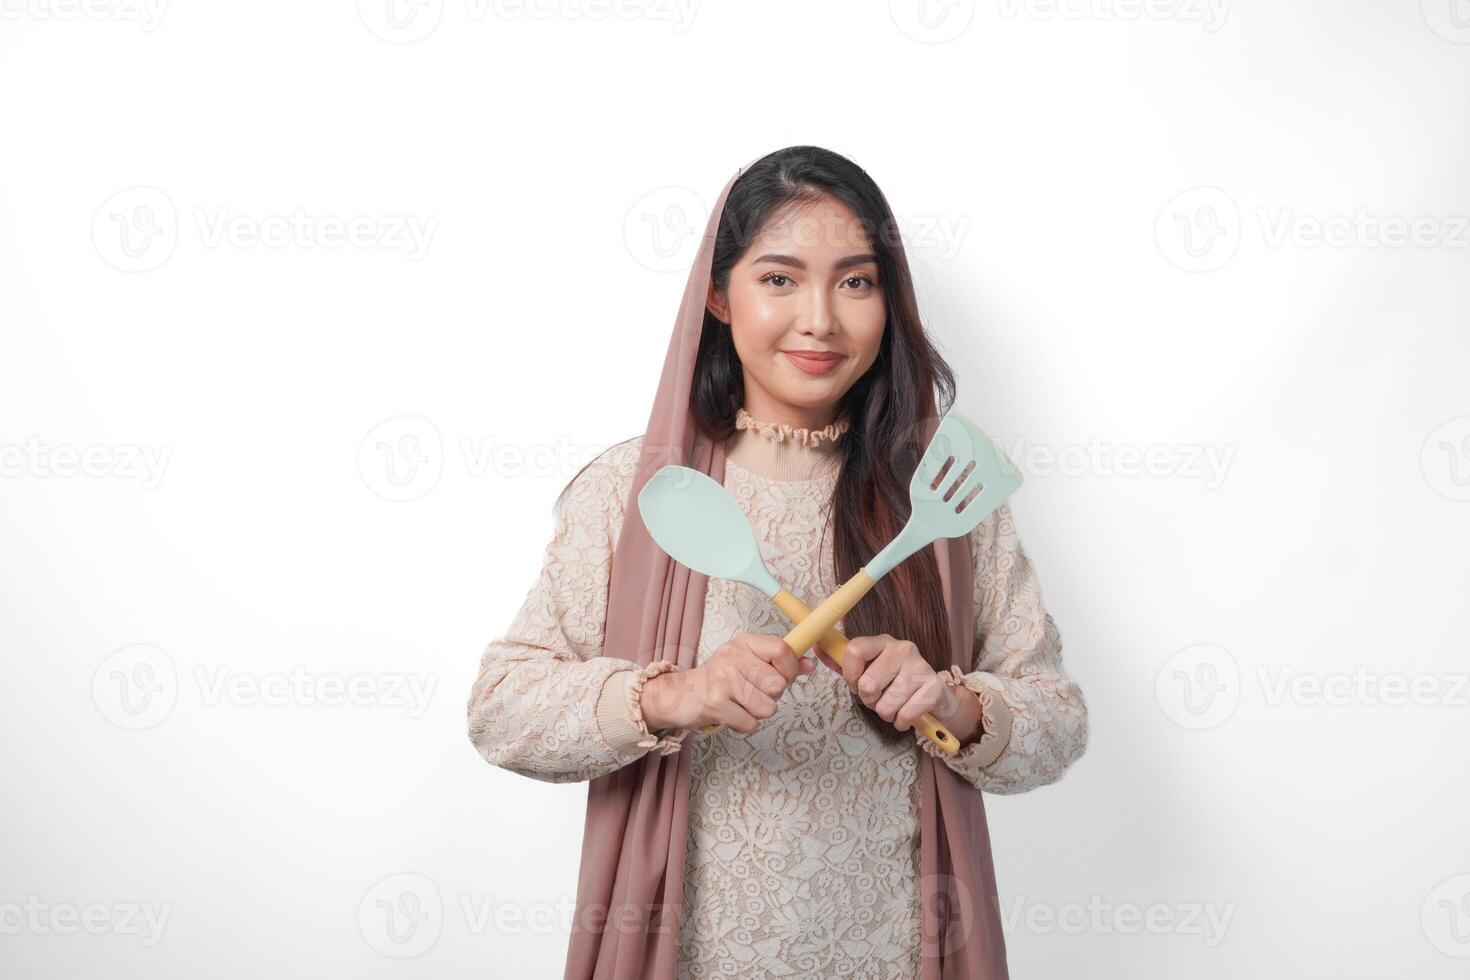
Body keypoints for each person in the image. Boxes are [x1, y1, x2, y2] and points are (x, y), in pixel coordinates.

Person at [467, 146, 1088, 980]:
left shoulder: (943, 505)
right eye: (780, 279)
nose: (821, 321)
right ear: (718, 295)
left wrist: (952, 699)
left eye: (856, 282)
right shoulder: (639, 492)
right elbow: (501, 710)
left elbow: (1057, 722)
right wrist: (675, 694)